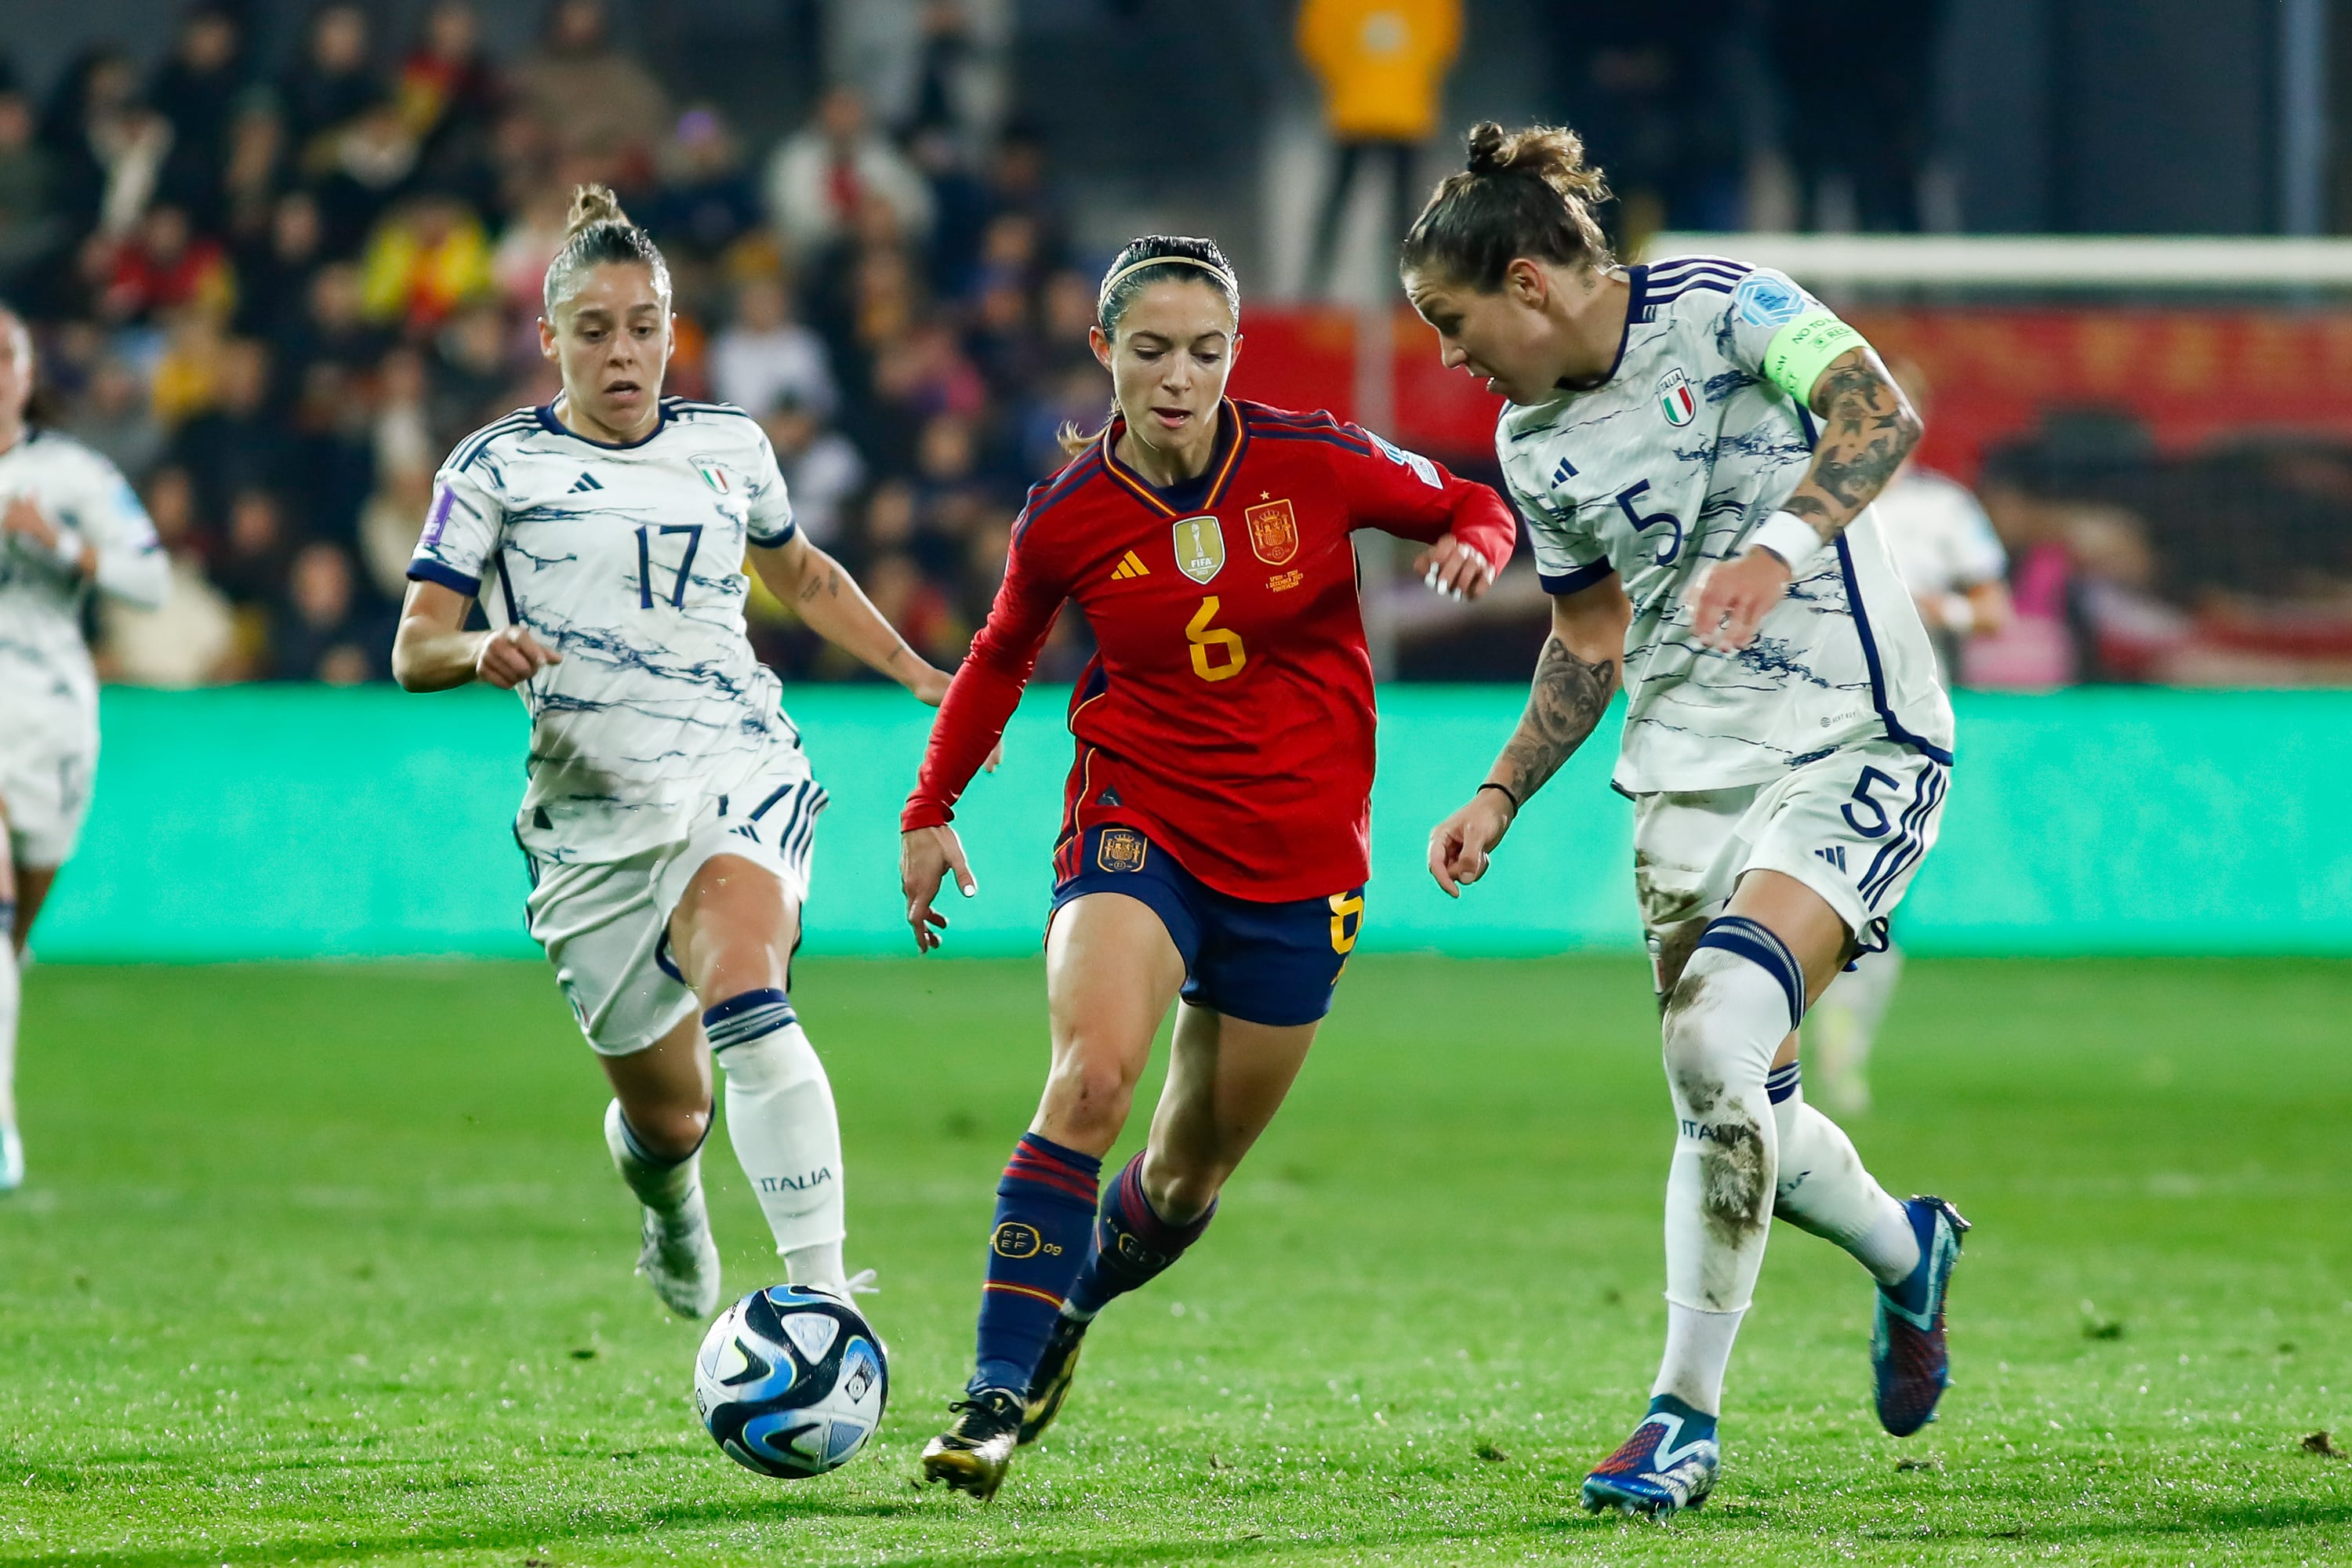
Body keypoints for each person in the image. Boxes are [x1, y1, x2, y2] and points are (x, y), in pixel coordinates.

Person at [1403, 125, 1968, 1517]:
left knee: (1718, 1037)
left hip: (1851, 738)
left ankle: (1681, 1420)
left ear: (1530, 283)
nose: (1453, 360)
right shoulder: (1530, 440)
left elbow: (1875, 410)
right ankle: (1909, 1251)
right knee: (1738, 1097)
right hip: (1682, 777)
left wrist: (1778, 551)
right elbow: (1589, 637)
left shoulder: (1723, 308)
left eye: (1456, 324)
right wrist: (1501, 788)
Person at [898, 234, 1516, 1500]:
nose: (1178, 378)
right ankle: (989, 1400)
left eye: (1204, 351)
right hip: (1140, 823)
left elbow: (1470, 501)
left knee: (1183, 1178)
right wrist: (930, 806)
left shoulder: (1316, 461)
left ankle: (1068, 1312)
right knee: (1090, 1082)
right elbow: (1003, 655)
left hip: (1301, 861)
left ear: (1235, 355)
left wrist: (1477, 546)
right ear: (1104, 354)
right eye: (1150, 351)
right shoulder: (1067, 518)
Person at [391, 187, 954, 1318]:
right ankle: (672, 1210)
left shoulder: (727, 446)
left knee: (747, 987)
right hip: (590, 821)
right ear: (547, 338)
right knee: (669, 1118)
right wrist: (480, 649)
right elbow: (413, 646)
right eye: (593, 330)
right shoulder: (492, 468)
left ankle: (822, 1303)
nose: (623, 351)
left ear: (672, 331)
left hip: (734, 767)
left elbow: (802, 577)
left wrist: (926, 677)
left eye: (643, 325)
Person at [1806, 357, 2012, 1115]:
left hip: (1906, 727)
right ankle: (1784, 1030)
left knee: (1875, 899)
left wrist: (1938, 609)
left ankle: (1843, 1046)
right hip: (1809, 714)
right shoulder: (1811, 500)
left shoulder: (1944, 511)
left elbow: (1994, 611)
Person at [0, 303, 169, 1190]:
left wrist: (60, 544)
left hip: (50, 711)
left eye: (4, 356)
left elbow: (152, 575)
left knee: (16, 918)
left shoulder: (70, 474)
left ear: (27, 373)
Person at [1296, 0, 1462, 296]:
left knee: (1352, 208)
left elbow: (1317, 37)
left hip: (1363, 109)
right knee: (1398, 213)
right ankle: (1404, 293)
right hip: (1395, 109)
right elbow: (1442, 38)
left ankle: (1315, 290)